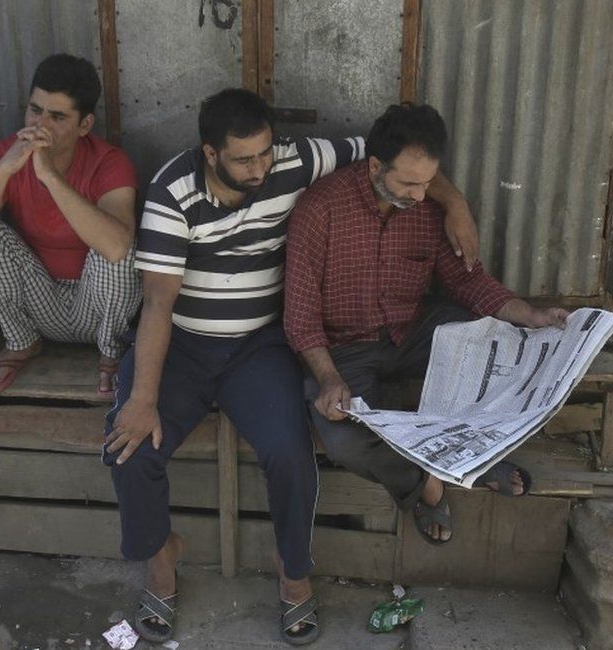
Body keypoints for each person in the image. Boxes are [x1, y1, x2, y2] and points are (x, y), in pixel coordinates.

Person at [101, 89, 479, 646]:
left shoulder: (295, 159)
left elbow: (400, 163)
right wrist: (141, 400)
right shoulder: (171, 192)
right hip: (181, 345)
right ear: (210, 153)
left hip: (259, 347)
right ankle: (161, 562)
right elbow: (158, 303)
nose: (259, 169)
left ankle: (294, 576)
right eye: (243, 159)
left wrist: (457, 205)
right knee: (129, 448)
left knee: (289, 452)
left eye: (265, 154)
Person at [283, 103, 569, 547]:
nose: (420, 195)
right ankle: (427, 482)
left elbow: (464, 282)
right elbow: (299, 315)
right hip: (343, 349)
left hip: (412, 330)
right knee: (344, 440)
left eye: (428, 183)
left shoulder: (428, 208)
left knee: (499, 341)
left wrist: (529, 315)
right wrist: (327, 378)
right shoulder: (320, 210)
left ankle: (477, 453)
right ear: (375, 165)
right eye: (409, 183)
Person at [0, 53, 140, 394]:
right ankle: (21, 342)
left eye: (57, 116)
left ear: (84, 125)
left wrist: (51, 177)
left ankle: (112, 352)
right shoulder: (4, 156)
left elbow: (115, 247)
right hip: (39, 304)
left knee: (120, 242)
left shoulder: (109, 161)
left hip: (96, 307)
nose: (41, 125)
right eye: (35, 110)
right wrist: (5, 170)